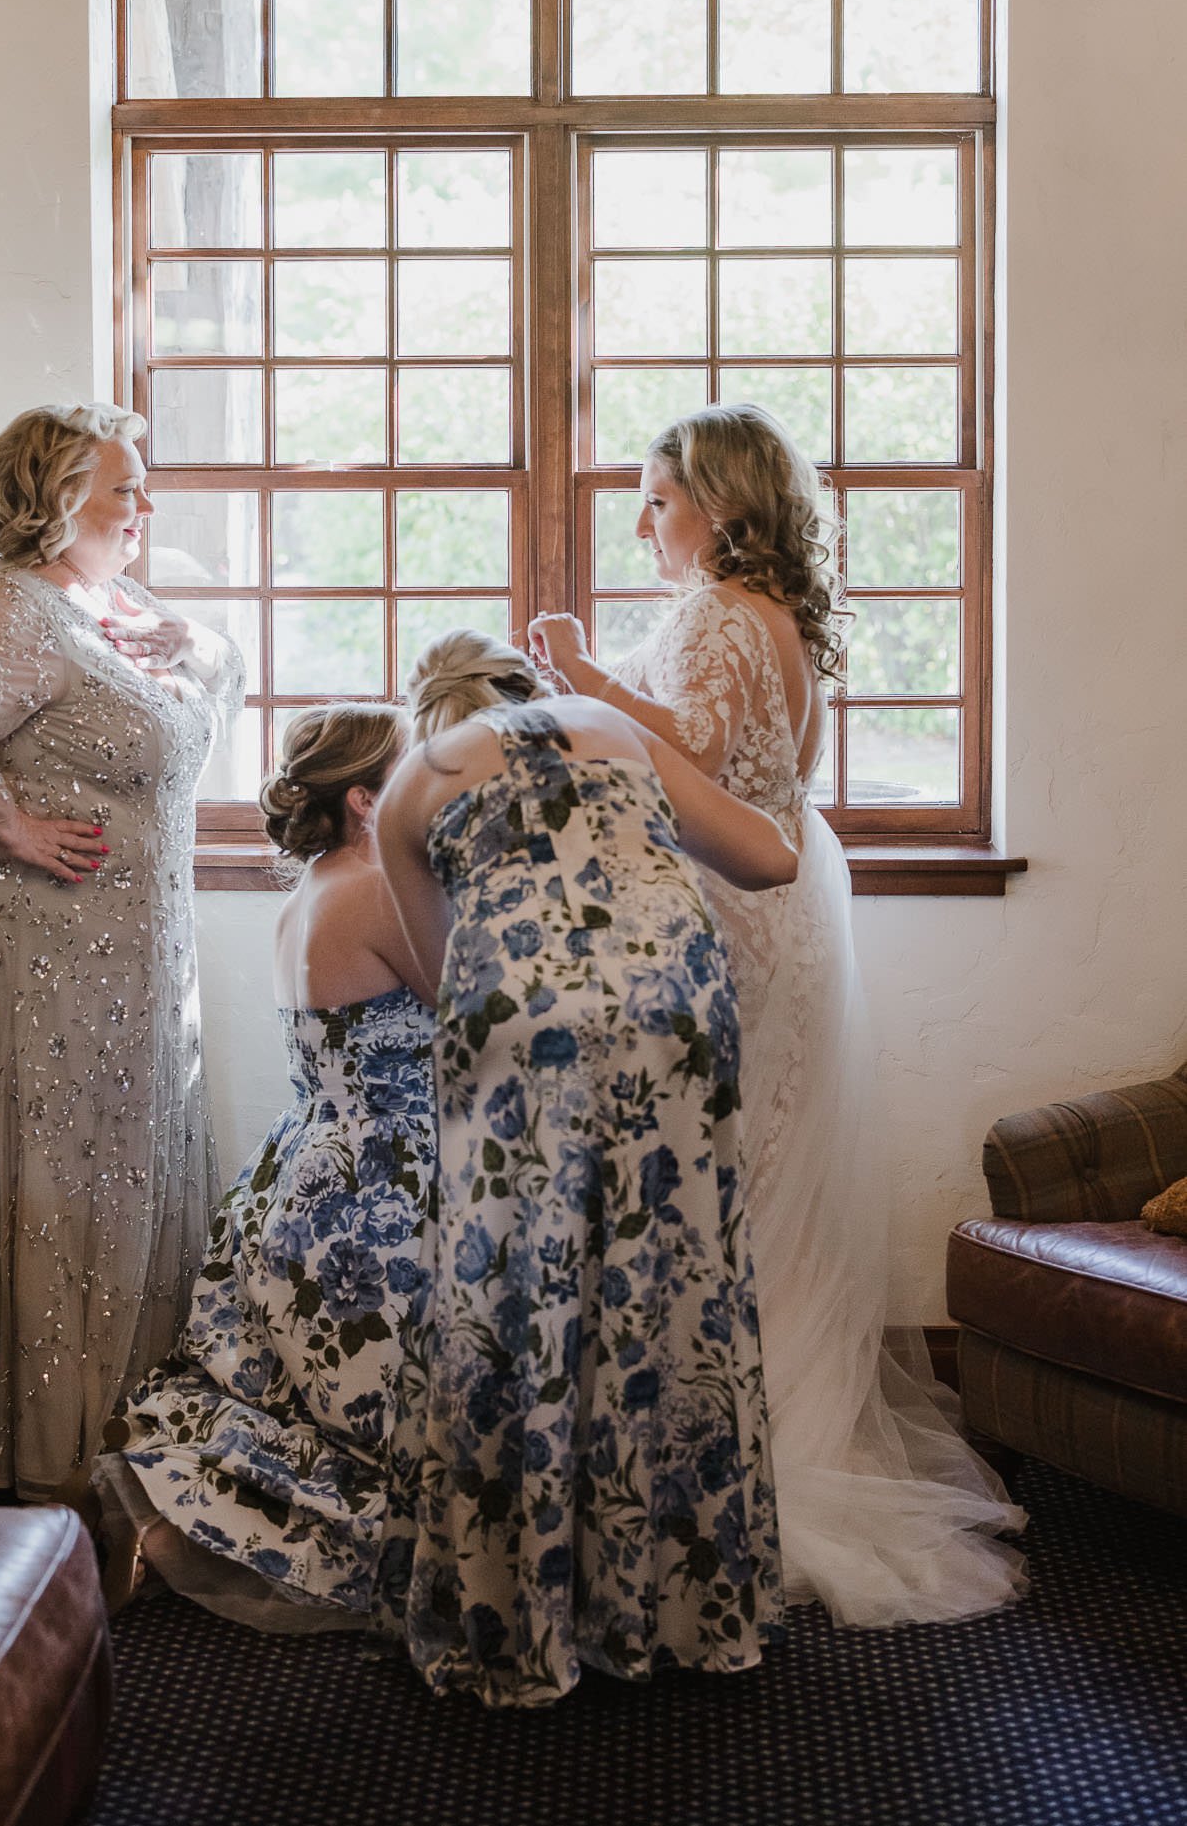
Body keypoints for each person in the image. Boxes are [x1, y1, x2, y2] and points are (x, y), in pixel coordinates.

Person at [528, 404, 1025, 1627]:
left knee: (726, 1173)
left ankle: (748, 1456)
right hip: (780, 907)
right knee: (762, 1174)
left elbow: (691, 751)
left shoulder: (723, 614)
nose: (642, 521)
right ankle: (752, 1427)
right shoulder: (767, 614)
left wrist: (585, 678)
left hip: (735, 915)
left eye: (658, 498)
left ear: (724, 506)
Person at [371, 629, 797, 1708]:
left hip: (524, 1013)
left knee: (515, 1284)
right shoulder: (612, 728)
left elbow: (435, 978)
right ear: (530, 686)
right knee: (676, 1276)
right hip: (674, 1001)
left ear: (433, 709)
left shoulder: (413, 783)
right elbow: (772, 855)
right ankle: (685, 1604)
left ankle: (521, 1609)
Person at [0, 401, 243, 1500]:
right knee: (66, 1177)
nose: (144, 504)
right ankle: (46, 1455)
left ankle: (128, 1429)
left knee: (127, 1171)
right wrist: (8, 825)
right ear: (58, 500)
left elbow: (194, 704)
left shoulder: (109, 603)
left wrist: (199, 643)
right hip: (33, 948)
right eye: (125, 486)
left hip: (135, 947)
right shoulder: (17, 609)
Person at [95, 702, 436, 1631]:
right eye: (419, 771)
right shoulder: (377, 891)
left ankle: (196, 1531)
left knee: (309, 1411)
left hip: (308, 1174)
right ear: (367, 800)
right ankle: (217, 1538)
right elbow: (478, 1009)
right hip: (382, 1190)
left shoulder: (322, 884)